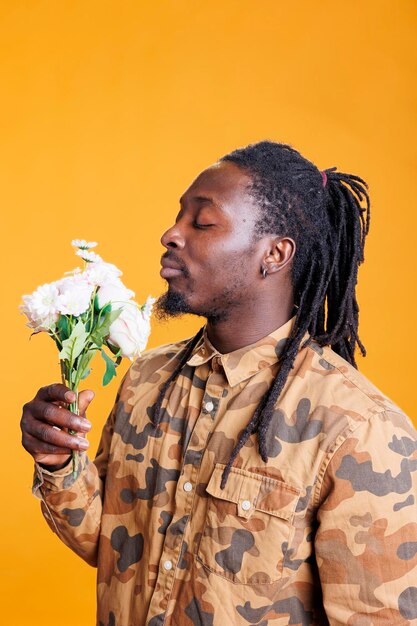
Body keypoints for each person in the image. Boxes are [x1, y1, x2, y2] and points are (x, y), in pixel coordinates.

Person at [21, 141, 417, 626]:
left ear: (274, 254)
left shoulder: (359, 430)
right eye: (177, 216)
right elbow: (111, 545)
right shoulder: (146, 378)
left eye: (202, 222)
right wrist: (59, 461)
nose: (170, 234)